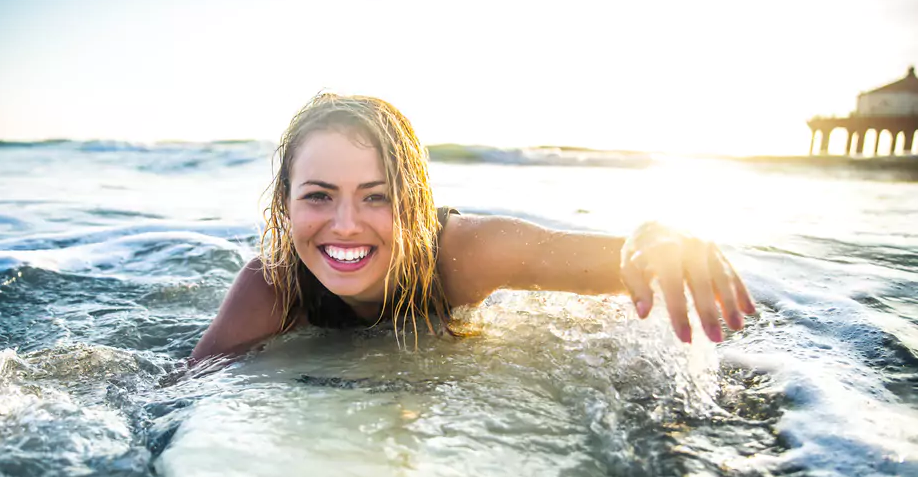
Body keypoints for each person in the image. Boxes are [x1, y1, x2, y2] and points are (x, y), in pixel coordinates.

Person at [191, 93, 755, 363]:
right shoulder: (272, 285)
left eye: (377, 197)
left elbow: (630, 262)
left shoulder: (468, 253)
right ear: (285, 207)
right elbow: (184, 389)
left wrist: (661, 241)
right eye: (319, 196)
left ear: (415, 204)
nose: (345, 225)